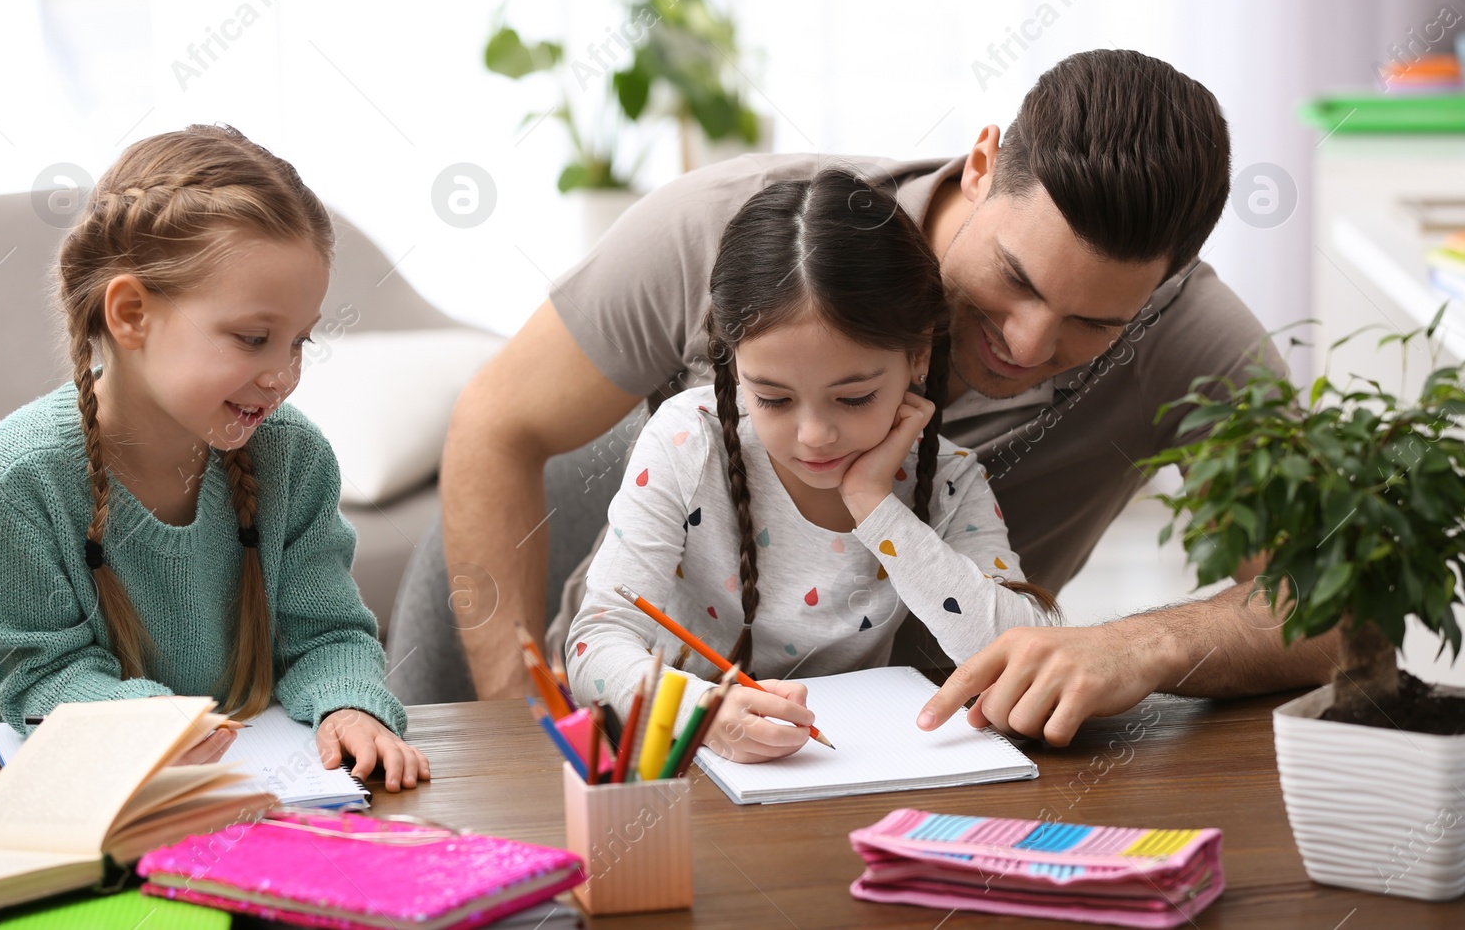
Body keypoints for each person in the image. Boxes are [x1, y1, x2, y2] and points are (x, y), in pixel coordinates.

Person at [394, 48, 1333, 746]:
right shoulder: (730, 235)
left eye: (1095, 325)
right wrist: (517, 741)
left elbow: (1338, 609)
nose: (1027, 344)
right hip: (656, 736)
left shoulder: (1198, 343)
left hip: (914, 754)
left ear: (1165, 287)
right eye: (1016, 278)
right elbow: (497, 422)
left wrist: (1142, 645)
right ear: (981, 162)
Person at [0, 125, 429, 791]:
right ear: (131, 315)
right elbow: (42, 675)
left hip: (188, 779)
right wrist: (146, 721)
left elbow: (326, 631)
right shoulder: (20, 474)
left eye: (298, 342)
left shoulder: (293, 459)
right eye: (253, 338)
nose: (282, 375)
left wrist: (351, 702)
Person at [565, 169, 1057, 762]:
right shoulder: (685, 441)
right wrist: (705, 713)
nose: (814, 435)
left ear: (919, 355)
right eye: (772, 398)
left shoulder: (949, 479)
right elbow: (596, 643)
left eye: (854, 398)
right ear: (733, 361)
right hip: (679, 768)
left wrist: (876, 506)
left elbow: (1022, 657)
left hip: (842, 770)